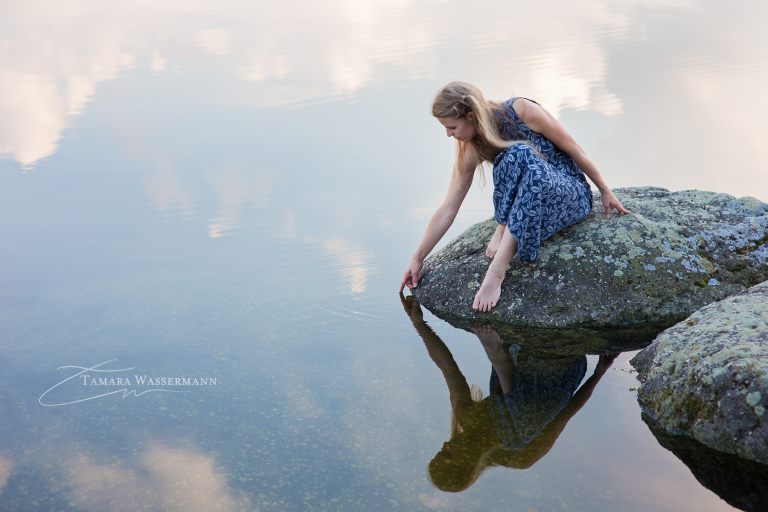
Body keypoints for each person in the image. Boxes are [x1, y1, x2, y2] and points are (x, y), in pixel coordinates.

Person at [399, 81, 630, 311]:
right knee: (510, 158)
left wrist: (605, 191)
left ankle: (497, 270)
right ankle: (504, 224)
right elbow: (450, 205)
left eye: (451, 127)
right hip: (532, 203)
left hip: (570, 193)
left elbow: (573, 148)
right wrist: (418, 257)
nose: (448, 135)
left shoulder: (520, 111)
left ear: (470, 116)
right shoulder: (471, 146)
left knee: (519, 153)